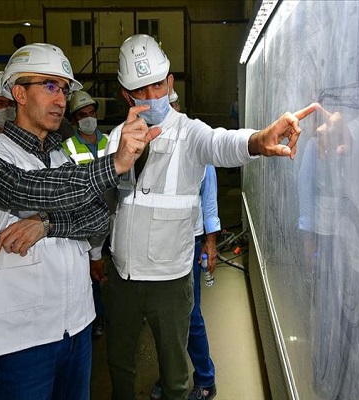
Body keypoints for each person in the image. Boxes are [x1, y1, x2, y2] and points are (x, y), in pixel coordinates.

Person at [104, 33, 316, 400]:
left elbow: (222, 142)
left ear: (170, 82)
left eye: (158, 85)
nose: (152, 97)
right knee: (119, 364)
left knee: (174, 374)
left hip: (169, 280)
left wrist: (258, 141)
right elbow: (106, 200)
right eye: (141, 91)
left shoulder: (190, 133)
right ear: (127, 96)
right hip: (121, 276)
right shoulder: (116, 139)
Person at [0, 42, 158, 400]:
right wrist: (114, 164)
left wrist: (48, 225)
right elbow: (28, 189)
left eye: (64, 89)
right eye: (50, 86)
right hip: (21, 340)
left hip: (77, 327)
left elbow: (99, 216)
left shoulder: (60, 157)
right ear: (19, 92)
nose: (61, 100)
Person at [151, 164, 220, 400]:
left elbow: (209, 203)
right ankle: (172, 374)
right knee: (164, 315)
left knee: (190, 313)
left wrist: (210, 245)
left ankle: (205, 379)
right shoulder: (153, 142)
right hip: (159, 241)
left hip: (189, 242)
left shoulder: (198, 144)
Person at [63, 90, 110, 338]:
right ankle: (98, 317)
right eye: (83, 115)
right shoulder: (66, 149)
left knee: (118, 267)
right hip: (84, 219)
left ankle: (124, 314)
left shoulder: (111, 141)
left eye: (92, 113)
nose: (89, 119)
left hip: (113, 214)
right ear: (73, 120)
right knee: (90, 272)